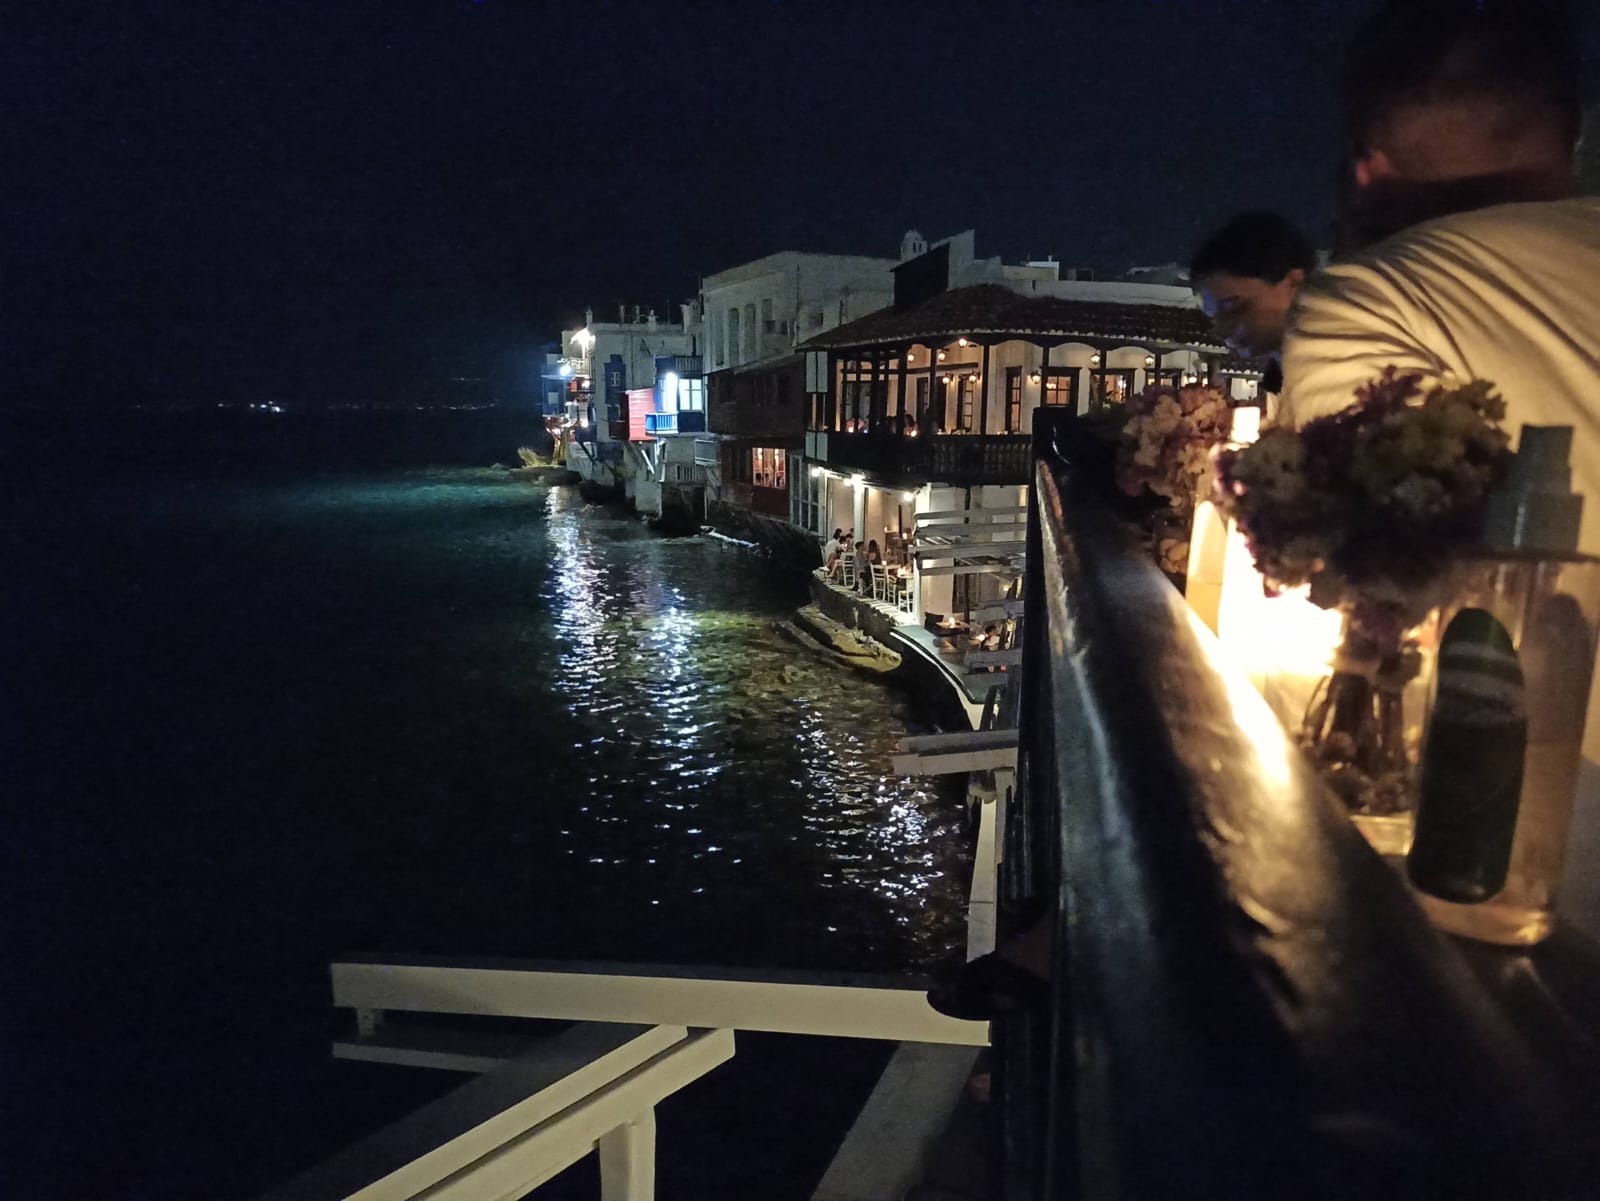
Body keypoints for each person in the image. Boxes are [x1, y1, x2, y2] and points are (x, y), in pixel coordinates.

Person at [1278, 0, 1600, 754]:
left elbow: (1380, 592)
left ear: (1368, 166)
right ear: (1573, 133)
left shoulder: (1369, 301)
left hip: (1545, 805)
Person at [1189, 211, 1318, 404]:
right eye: (1213, 316)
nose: (1221, 331)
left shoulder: (1335, 372)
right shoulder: (1284, 376)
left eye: (1235, 307)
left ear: (1294, 283)